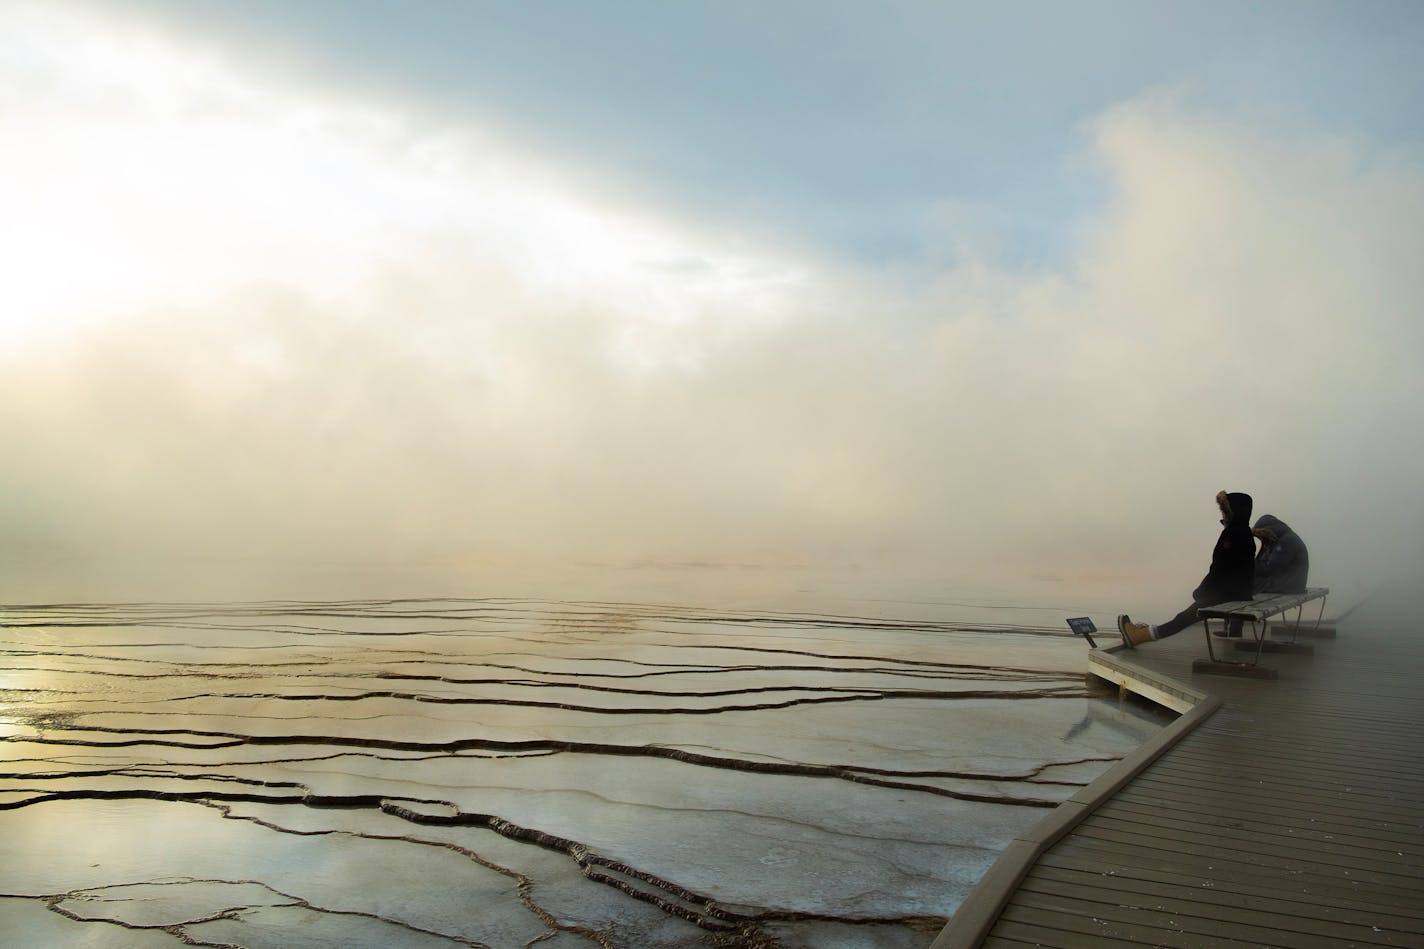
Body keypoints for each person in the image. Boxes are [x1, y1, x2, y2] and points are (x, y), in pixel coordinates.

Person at [1118, 490, 1255, 647]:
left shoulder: (1232, 535)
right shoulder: (1244, 532)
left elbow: (1220, 569)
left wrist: (1203, 591)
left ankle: (1139, 636)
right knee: (1187, 615)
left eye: (1224, 510)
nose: (1222, 514)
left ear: (1233, 512)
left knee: (1184, 617)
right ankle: (1143, 633)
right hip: (1238, 593)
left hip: (1225, 594)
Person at [1252, 514, 1309, 593]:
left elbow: (1271, 570)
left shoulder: (1287, 541)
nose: (1260, 538)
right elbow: (1261, 564)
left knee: (1246, 583)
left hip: (1289, 585)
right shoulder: (1272, 542)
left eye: (1260, 535)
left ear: (1267, 531)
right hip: (1286, 583)